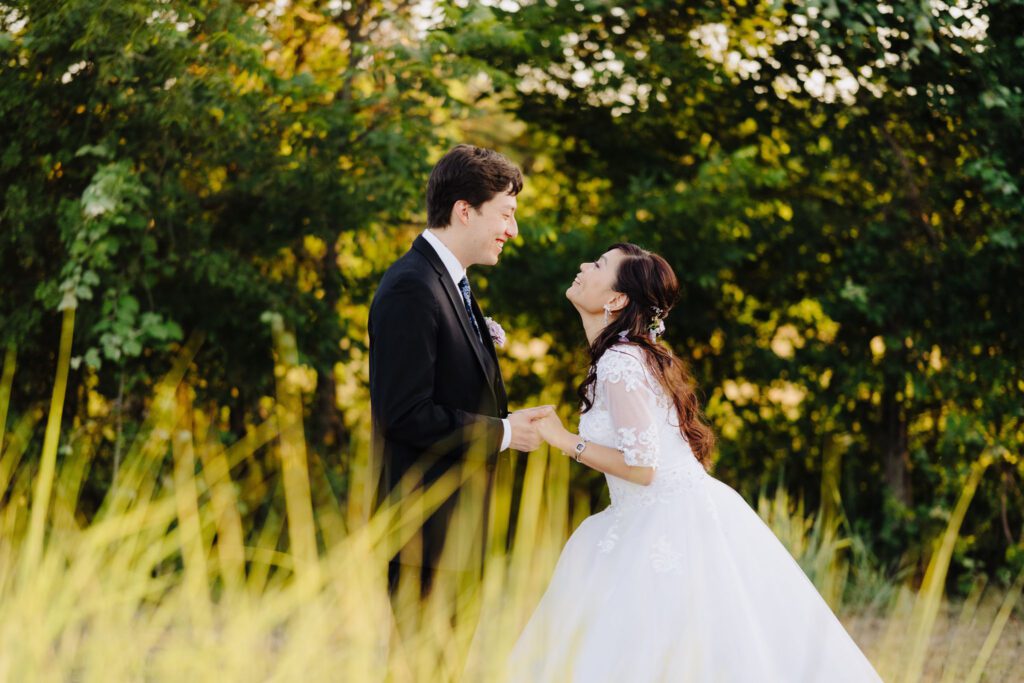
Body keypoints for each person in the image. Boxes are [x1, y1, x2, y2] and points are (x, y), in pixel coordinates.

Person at [506, 243, 882, 682]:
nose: (584, 265)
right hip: (662, 513)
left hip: (666, 522)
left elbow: (644, 468)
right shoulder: (627, 355)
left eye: (600, 264)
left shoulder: (619, 361)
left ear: (616, 300)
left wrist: (563, 439)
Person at [368, 144, 552, 597]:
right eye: (506, 214)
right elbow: (405, 413)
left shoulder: (448, 281)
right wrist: (505, 433)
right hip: (424, 538)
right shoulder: (413, 287)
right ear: (465, 211)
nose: (513, 229)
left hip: (455, 533)